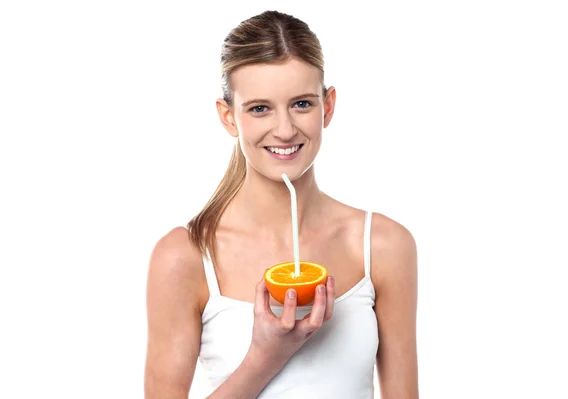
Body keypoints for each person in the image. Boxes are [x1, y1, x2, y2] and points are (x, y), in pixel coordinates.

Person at [144, 10, 418, 399]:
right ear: (228, 118)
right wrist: (265, 356)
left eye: (302, 104)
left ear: (329, 107)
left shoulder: (384, 245)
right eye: (259, 108)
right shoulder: (184, 256)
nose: (285, 129)